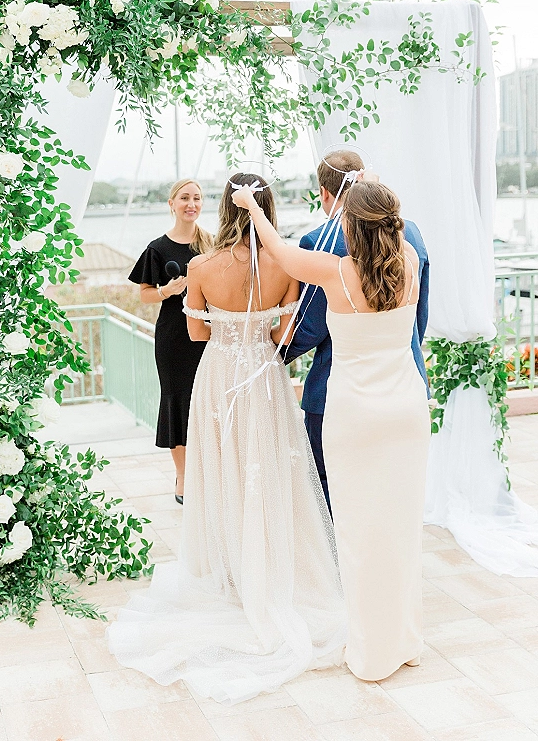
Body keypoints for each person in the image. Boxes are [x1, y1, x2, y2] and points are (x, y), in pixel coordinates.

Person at [107, 173, 347, 704]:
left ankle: (233, 574)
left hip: (218, 376)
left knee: (224, 470)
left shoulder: (201, 266)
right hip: (263, 375)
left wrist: (231, 331)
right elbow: (286, 334)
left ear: (222, 208)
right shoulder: (286, 265)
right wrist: (256, 334)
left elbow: (196, 333)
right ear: (268, 209)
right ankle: (273, 571)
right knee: (273, 468)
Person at [232, 177, 431, 681]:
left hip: (356, 417)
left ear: (347, 224)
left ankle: (372, 653)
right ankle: (405, 639)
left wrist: (252, 205)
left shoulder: (336, 271)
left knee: (360, 533)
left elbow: (275, 251)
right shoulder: (408, 259)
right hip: (407, 412)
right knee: (402, 529)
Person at [285, 150, 429, 511]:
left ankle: (339, 563)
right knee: (392, 488)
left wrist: (272, 353)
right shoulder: (408, 233)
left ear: (324, 192)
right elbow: (419, 315)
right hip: (404, 383)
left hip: (338, 391)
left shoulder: (318, 242)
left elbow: (310, 327)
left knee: (329, 483)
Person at [128, 178, 213, 503]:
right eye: (185, 198)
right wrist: (168, 290)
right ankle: (183, 477)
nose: (191, 204)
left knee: (206, 403)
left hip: (207, 335)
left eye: (197, 198)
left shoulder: (211, 244)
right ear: (172, 204)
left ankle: (209, 473)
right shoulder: (157, 248)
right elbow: (145, 295)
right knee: (178, 403)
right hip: (173, 339)